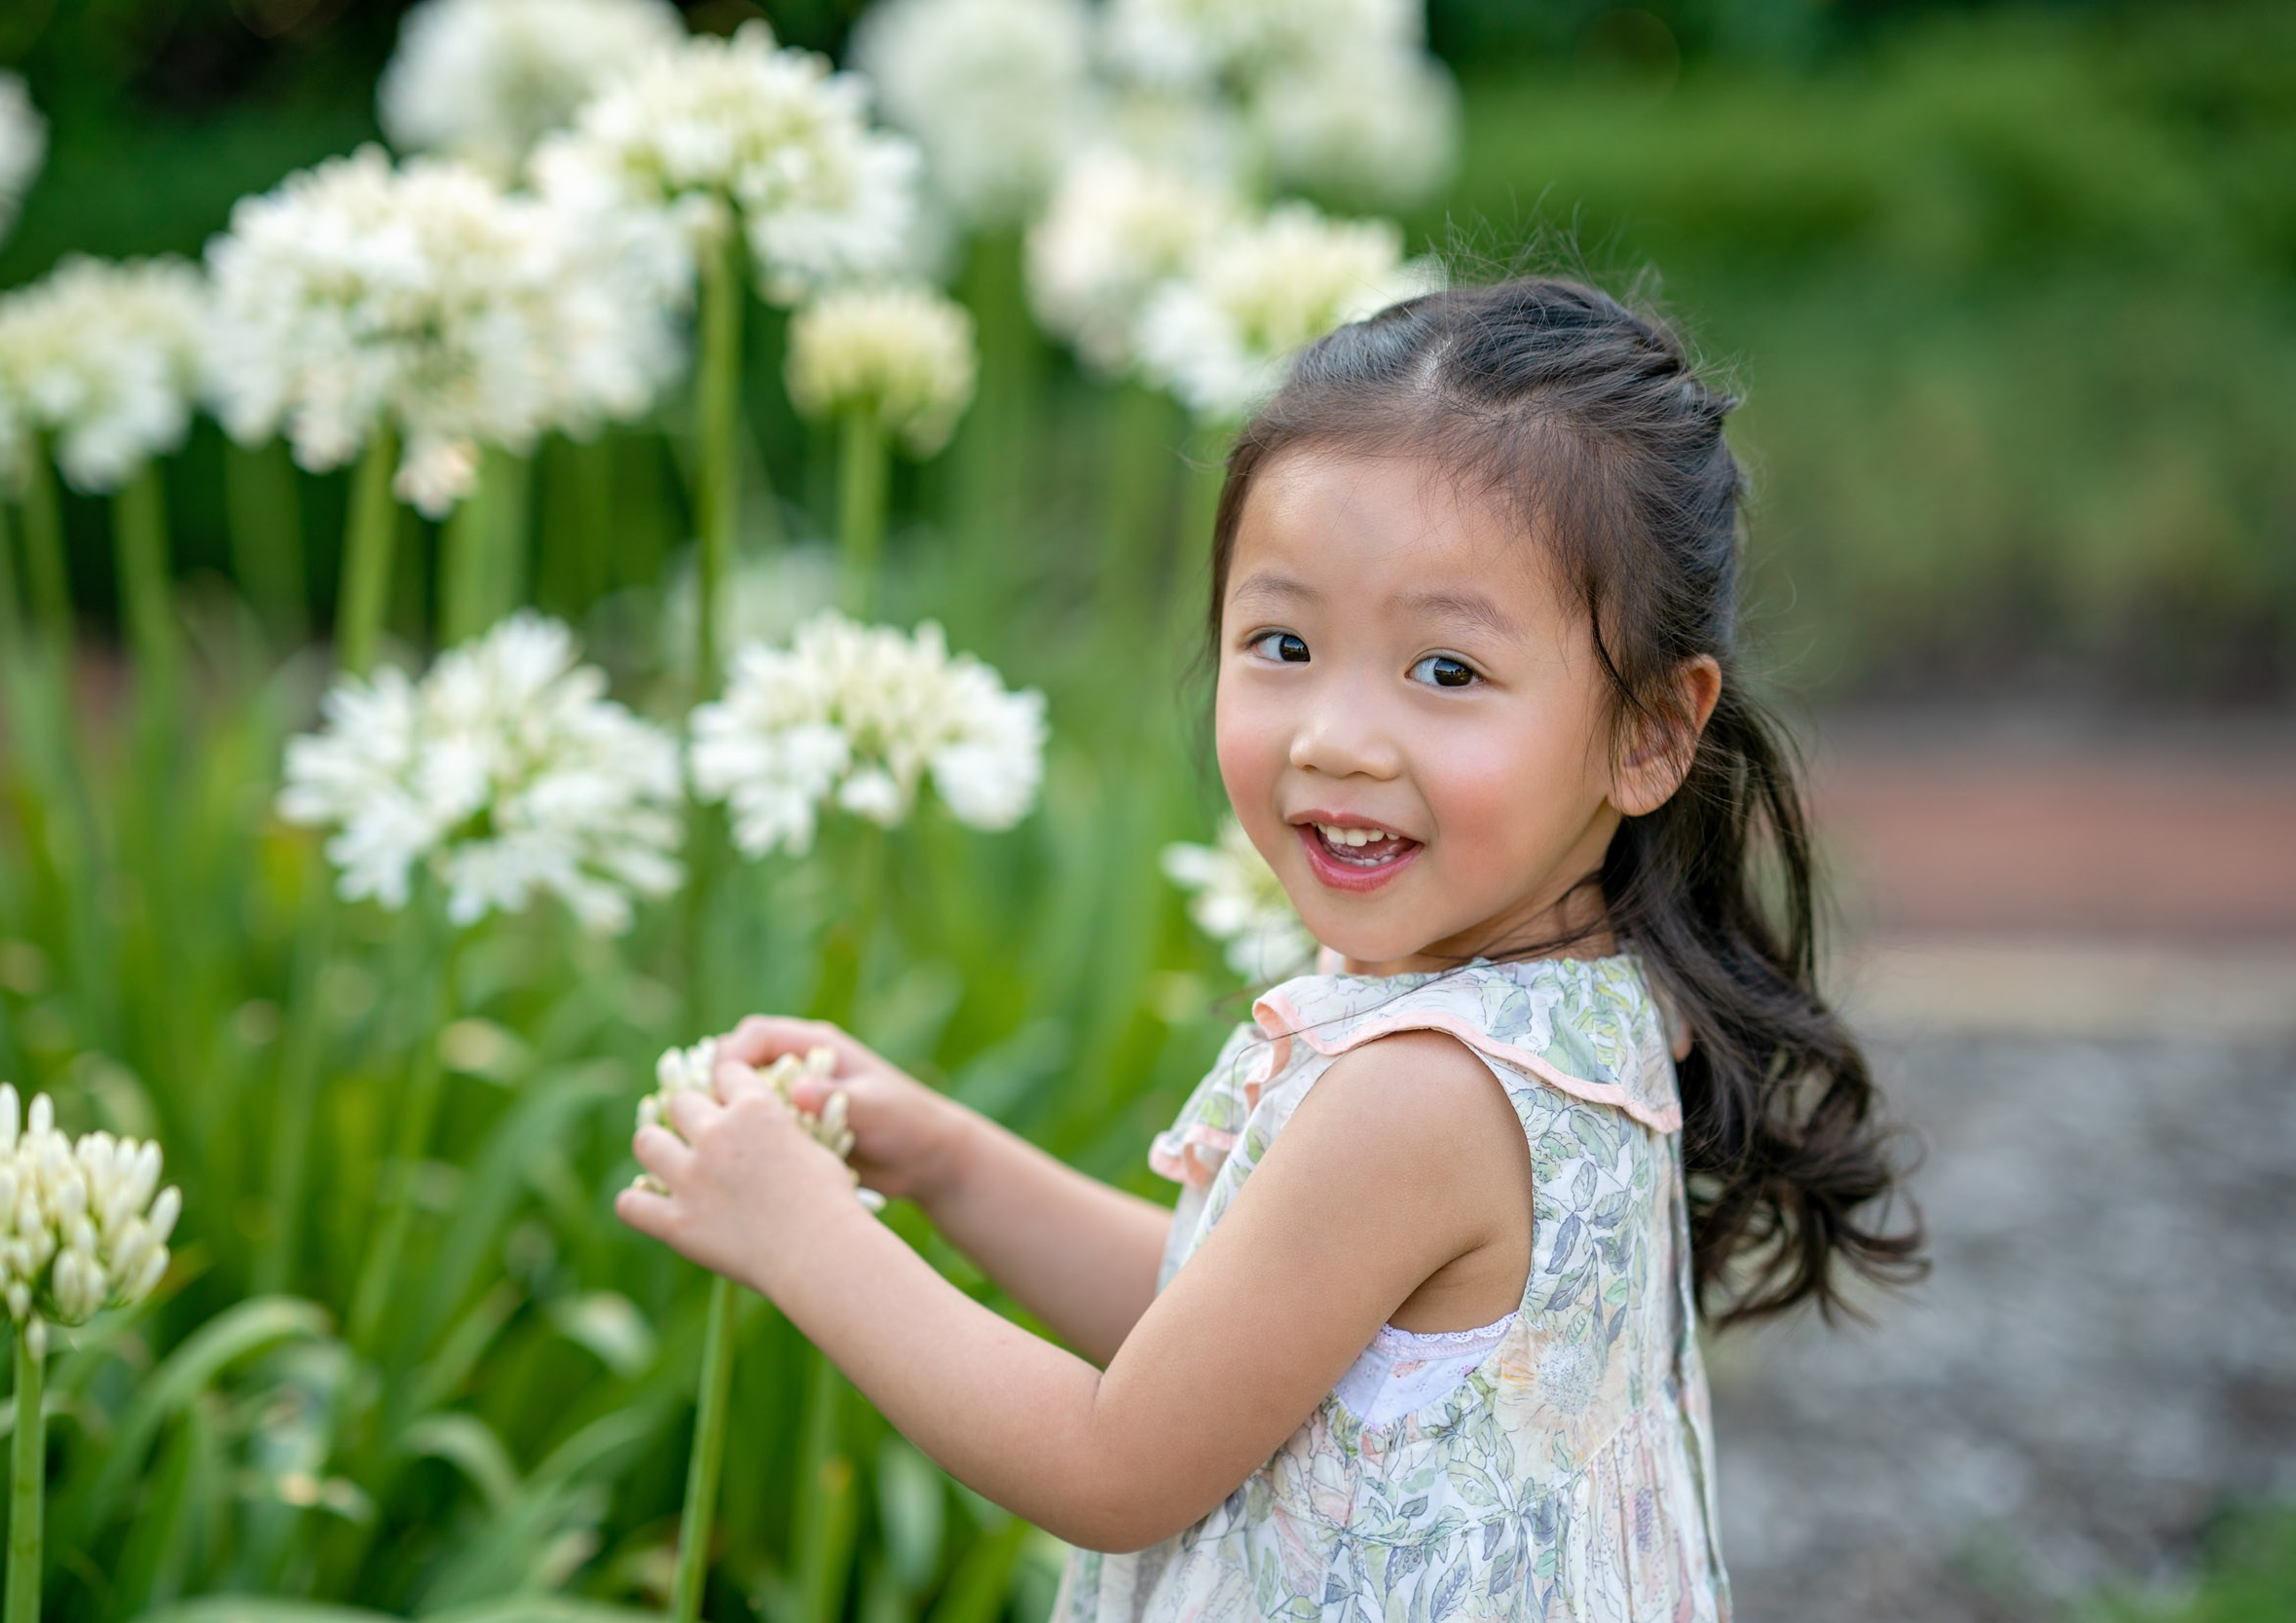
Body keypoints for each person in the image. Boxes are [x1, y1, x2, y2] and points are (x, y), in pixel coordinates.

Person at [612, 275, 1924, 1620]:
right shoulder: (1579, 999)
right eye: (1283, 643)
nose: (1335, 739)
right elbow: (1232, 1322)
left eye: (1447, 671)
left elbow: (1114, 1464)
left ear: (1650, 732)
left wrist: (801, 1236)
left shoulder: (1427, 1093)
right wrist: (944, 1159)